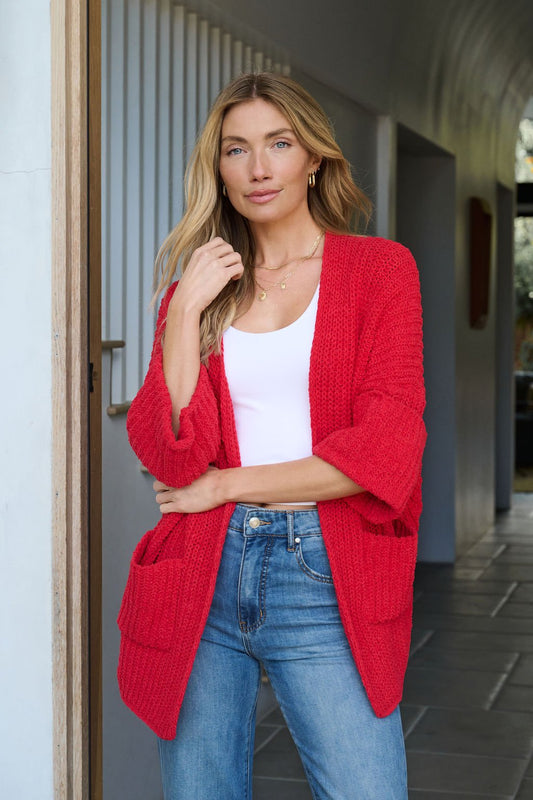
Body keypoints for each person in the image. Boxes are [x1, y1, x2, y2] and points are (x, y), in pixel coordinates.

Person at [117, 72, 426, 800]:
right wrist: (184, 312)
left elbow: (384, 452)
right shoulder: (197, 291)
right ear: (219, 170)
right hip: (204, 565)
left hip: (322, 568)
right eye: (237, 150)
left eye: (278, 144)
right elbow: (172, 452)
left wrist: (227, 484)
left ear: (313, 158)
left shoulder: (379, 271)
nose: (258, 168)